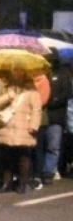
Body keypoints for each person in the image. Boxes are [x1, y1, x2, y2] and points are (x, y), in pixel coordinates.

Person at [0, 67, 41, 194]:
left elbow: (36, 109)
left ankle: (23, 183)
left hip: (23, 127)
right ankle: (7, 183)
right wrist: (7, 97)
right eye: (14, 70)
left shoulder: (31, 89)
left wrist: (34, 125)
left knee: (23, 155)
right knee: (7, 156)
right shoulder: (4, 87)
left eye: (19, 70)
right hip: (6, 126)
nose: (16, 73)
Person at [36, 54, 70, 188]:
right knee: (39, 146)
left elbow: (67, 93)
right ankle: (39, 172)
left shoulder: (63, 74)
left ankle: (48, 172)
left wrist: (53, 101)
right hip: (42, 115)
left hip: (56, 115)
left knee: (53, 146)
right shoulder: (41, 74)